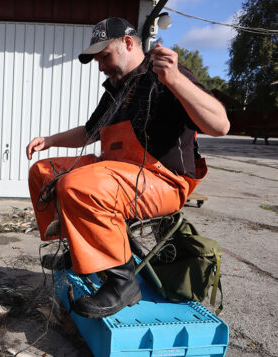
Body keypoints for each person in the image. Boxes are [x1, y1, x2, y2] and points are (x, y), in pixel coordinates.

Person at [26, 17, 229, 318]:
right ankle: (77, 249)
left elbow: (220, 125)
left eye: (104, 56)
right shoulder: (114, 90)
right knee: (43, 173)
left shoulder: (166, 74)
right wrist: (50, 140)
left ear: (129, 43)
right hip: (116, 173)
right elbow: (88, 133)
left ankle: (122, 281)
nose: (100, 66)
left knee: (76, 185)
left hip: (163, 181)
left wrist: (175, 80)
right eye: (97, 60)